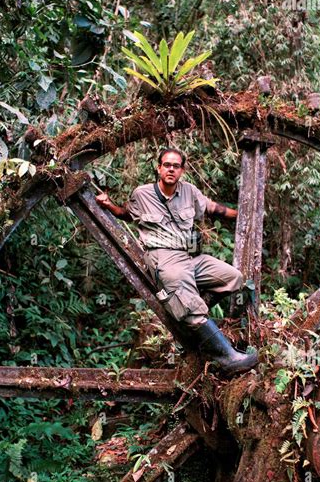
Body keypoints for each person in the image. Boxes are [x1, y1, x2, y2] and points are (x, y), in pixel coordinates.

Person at [95, 147, 258, 376]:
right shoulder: (142, 194)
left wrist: (246, 214)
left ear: (182, 170)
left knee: (234, 278)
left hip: (189, 256)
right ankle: (227, 359)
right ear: (159, 168)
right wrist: (108, 205)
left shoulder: (189, 191)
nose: (171, 169)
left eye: (176, 166)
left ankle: (190, 310)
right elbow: (126, 214)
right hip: (163, 258)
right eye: (167, 165)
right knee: (185, 296)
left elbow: (212, 208)